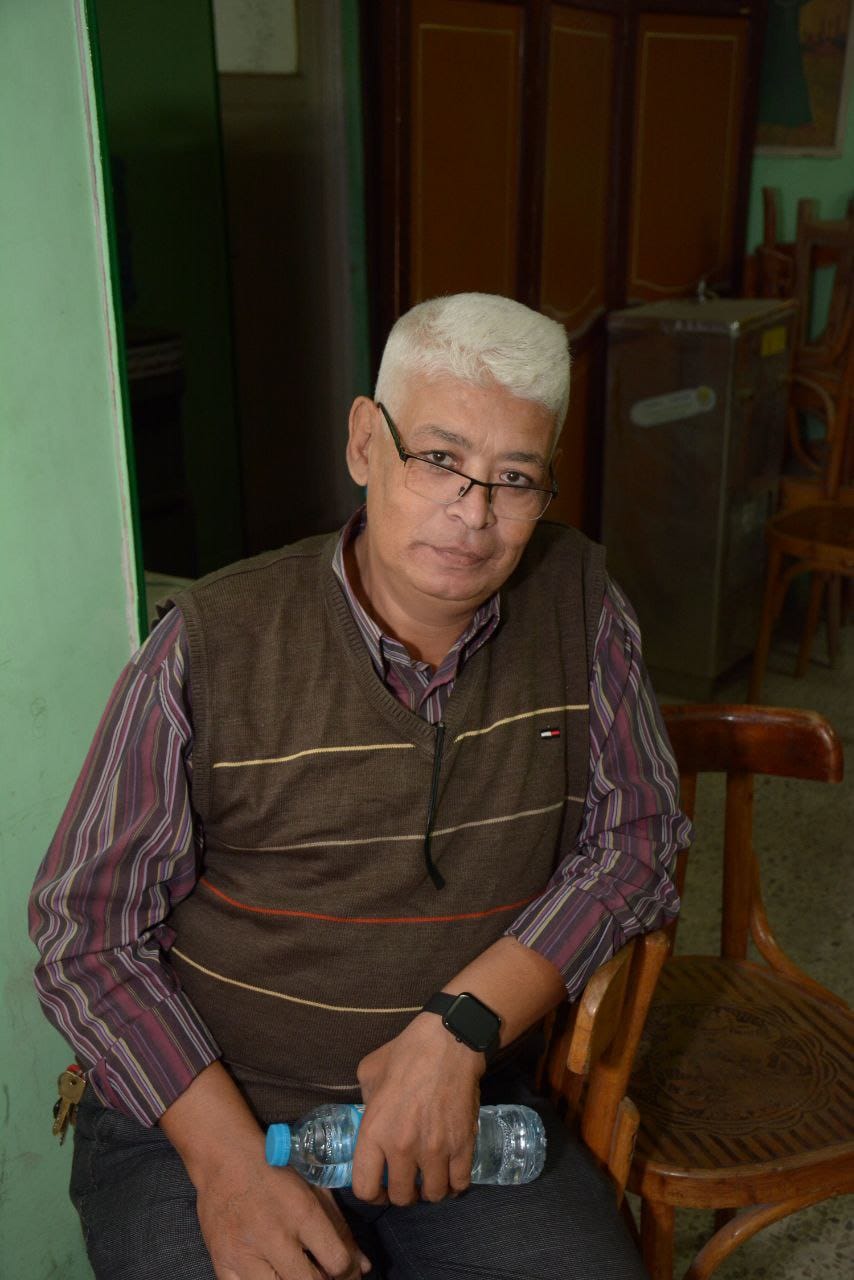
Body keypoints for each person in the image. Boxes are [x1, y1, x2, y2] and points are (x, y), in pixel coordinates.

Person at [30, 292, 690, 1280]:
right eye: (439, 458)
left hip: (464, 1101)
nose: (472, 512)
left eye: (514, 478)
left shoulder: (580, 606)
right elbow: (85, 933)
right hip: (205, 1113)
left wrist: (460, 1029)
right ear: (364, 444)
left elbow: (640, 838)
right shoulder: (211, 643)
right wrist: (228, 1165)